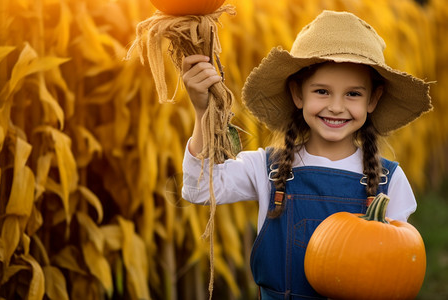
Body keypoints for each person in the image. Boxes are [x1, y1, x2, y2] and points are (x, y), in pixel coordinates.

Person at [181, 10, 432, 299]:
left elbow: (397, 267)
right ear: (298, 94)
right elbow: (199, 188)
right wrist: (203, 112)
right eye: (322, 91)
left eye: (353, 94)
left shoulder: (391, 181)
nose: (336, 107)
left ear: (373, 99)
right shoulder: (266, 168)